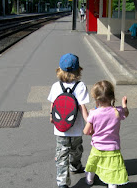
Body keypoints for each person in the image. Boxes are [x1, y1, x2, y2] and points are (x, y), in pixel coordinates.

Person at [47, 53, 89, 188]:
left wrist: (51, 116)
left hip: (60, 128)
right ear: (78, 70)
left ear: (59, 69)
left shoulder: (55, 86)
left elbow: (53, 104)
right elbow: (82, 107)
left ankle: (62, 182)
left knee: (61, 154)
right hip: (76, 129)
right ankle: (75, 166)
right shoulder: (81, 86)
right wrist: (89, 122)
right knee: (77, 150)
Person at [83, 80, 129, 188]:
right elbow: (126, 113)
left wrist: (93, 133)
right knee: (112, 167)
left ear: (95, 98)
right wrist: (124, 105)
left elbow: (86, 131)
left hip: (97, 146)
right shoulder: (117, 111)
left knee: (93, 163)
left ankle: (89, 179)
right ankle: (112, 184)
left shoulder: (93, 113)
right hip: (113, 147)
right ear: (112, 96)